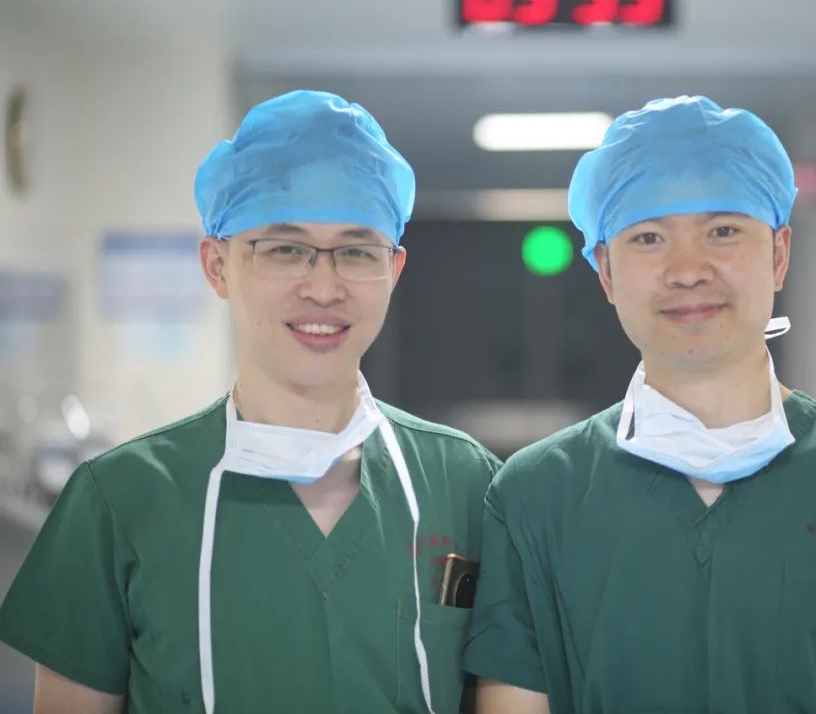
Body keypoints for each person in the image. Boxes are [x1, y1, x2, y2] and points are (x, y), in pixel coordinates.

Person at [462, 95, 816, 714]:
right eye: (649, 237)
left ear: (779, 254)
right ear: (605, 271)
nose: (688, 270)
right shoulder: (535, 495)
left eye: (723, 231)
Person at [0, 90, 498, 714]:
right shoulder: (120, 499)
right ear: (217, 265)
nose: (323, 287)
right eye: (284, 248)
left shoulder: (464, 483)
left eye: (356, 251)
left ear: (393, 271)